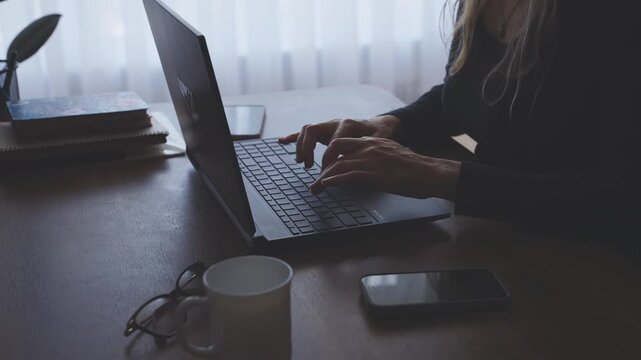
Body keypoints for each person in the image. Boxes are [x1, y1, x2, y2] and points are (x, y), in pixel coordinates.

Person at [279, 1, 639, 263]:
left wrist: (441, 175)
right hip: (499, 241)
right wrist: (389, 124)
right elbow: (465, 96)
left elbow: (619, 200)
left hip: (589, 270)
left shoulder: (609, 17)